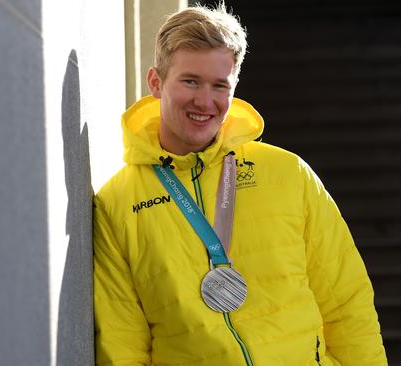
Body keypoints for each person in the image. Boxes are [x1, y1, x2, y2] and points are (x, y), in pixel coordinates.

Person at [92, 3, 387, 365]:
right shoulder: (118, 202)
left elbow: (347, 302)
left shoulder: (288, 173)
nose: (205, 101)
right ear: (156, 82)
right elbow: (122, 341)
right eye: (190, 81)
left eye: (220, 85)